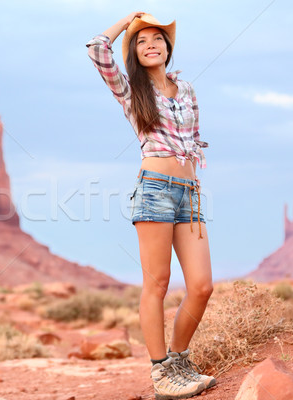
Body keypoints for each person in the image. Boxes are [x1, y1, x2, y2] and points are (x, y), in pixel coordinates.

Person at [86, 12, 216, 399]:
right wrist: (128, 21)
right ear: (134, 53)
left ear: (168, 47)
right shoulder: (131, 91)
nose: (150, 44)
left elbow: (193, 140)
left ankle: (179, 361)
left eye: (157, 38)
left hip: (189, 194)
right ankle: (162, 374)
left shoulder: (187, 89)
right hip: (155, 189)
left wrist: (191, 179)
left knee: (202, 286)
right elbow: (96, 48)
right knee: (157, 283)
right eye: (141, 41)